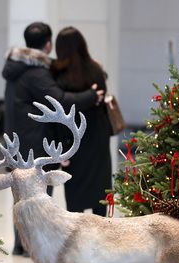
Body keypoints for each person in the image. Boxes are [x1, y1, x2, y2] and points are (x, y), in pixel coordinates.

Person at [2, 22, 103, 256]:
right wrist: (91, 96)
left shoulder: (14, 68)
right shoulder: (36, 72)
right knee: (38, 198)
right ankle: (33, 246)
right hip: (34, 144)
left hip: (16, 142)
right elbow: (61, 100)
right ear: (48, 45)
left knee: (21, 196)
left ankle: (22, 244)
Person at [51, 26, 111, 217]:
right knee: (100, 193)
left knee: (75, 198)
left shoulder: (58, 75)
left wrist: (61, 149)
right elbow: (101, 99)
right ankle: (102, 241)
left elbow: (58, 111)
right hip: (98, 138)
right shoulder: (95, 70)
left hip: (73, 141)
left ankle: (79, 242)